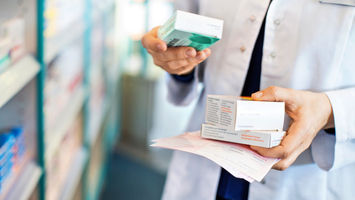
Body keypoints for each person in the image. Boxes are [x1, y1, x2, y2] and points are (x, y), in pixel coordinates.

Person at [141, 0, 355, 199]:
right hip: (205, 167)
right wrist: (178, 63)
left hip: (305, 178)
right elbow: (188, 30)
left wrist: (330, 111)